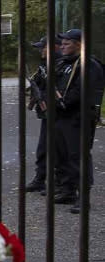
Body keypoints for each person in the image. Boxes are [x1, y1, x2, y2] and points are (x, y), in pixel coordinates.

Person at [53, 29, 105, 210]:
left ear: (80, 44)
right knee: (63, 155)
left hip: (78, 118)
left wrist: (61, 101)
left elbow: (81, 91)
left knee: (78, 157)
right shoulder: (65, 63)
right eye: (63, 43)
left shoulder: (89, 65)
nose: (63, 46)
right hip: (62, 116)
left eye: (68, 43)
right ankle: (67, 191)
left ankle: (83, 197)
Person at [26, 35, 63, 194]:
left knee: (59, 149)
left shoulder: (61, 65)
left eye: (44, 47)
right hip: (46, 113)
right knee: (43, 148)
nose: (41, 50)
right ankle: (40, 178)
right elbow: (37, 84)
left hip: (59, 113)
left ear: (55, 47)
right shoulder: (45, 65)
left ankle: (59, 182)